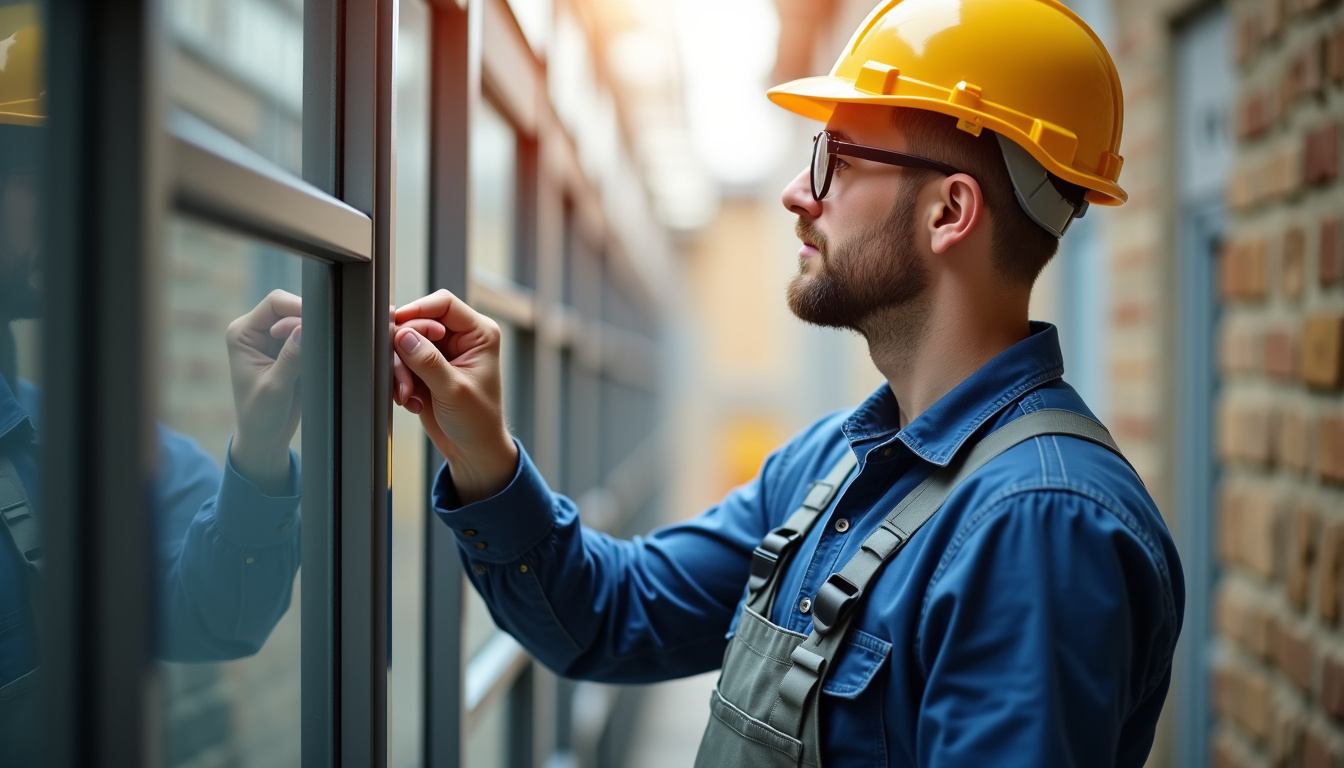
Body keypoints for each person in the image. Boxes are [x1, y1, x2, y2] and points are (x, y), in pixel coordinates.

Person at [390, 0, 1185, 765]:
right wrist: (480, 449)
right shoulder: (832, 465)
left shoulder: (1040, 526)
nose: (798, 193)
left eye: (835, 159)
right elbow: (606, 618)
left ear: (949, 212)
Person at [0, 3, 304, 763]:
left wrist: (261, 448)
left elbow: (217, 613)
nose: (76, 206)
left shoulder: (66, 437)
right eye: (42, 175)